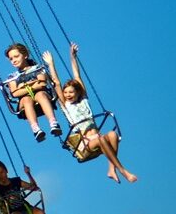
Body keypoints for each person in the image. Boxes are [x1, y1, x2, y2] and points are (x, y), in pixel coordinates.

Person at [44, 43, 137, 183]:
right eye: (66, 92)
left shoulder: (84, 100)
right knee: (101, 139)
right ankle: (123, 170)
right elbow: (56, 83)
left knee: (113, 134)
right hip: (85, 143)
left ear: (78, 93)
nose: (68, 95)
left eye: (71, 92)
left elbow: (77, 75)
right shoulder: (66, 105)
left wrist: (73, 57)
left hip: (97, 136)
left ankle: (111, 168)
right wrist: (51, 64)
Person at [4, 43, 61, 141]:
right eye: (11, 59)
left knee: (40, 94)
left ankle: (53, 123)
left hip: (42, 94)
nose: (14, 60)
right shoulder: (12, 77)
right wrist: (33, 83)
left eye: (16, 56)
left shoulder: (37, 68)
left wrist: (23, 86)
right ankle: (35, 129)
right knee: (26, 99)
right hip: (24, 101)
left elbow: (42, 84)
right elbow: (14, 93)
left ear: (25, 55)